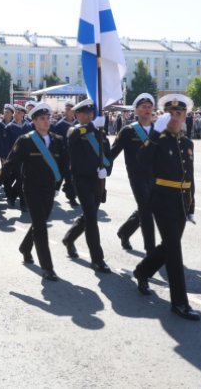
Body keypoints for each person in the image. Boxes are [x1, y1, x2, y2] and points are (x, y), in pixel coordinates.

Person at [133, 94, 200, 321]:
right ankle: (180, 303)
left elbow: (190, 176)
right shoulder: (158, 139)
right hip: (161, 199)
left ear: (184, 117)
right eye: (170, 114)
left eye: (179, 114)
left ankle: (143, 271)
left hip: (181, 201)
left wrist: (191, 204)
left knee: (169, 245)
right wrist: (153, 135)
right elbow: (141, 162)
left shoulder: (187, 143)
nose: (174, 118)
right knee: (174, 251)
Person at [4, 103, 67, 281]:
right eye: (42, 119)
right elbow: (11, 161)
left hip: (49, 188)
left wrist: (58, 186)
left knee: (40, 222)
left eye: (48, 118)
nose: (46, 122)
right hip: (31, 188)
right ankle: (47, 267)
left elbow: (63, 165)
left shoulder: (57, 140)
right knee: (40, 226)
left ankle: (25, 247)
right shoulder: (25, 140)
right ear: (34, 121)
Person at [60, 99, 113, 273]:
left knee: (89, 215)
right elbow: (73, 135)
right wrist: (91, 127)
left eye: (91, 112)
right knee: (91, 218)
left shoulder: (100, 133)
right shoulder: (74, 130)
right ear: (77, 115)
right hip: (82, 180)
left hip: (98, 180)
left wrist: (107, 169)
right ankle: (97, 259)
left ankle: (69, 238)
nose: (89, 115)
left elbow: (107, 153)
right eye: (85, 113)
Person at [108, 93, 156, 254]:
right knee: (146, 209)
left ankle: (124, 232)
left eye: (149, 107)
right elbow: (113, 152)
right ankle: (151, 250)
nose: (147, 110)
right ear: (136, 110)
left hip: (155, 176)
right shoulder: (128, 131)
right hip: (137, 176)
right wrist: (101, 168)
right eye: (143, 107)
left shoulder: (158, 130)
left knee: (148, 209)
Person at [52, 101, 79, 207]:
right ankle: (55, 192)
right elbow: (56, 141)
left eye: (71, 109)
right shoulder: (59, 125)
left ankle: (71, 197)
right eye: (67, 109)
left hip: (75, 155)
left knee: (71, 177)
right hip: (63, 155)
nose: (69, 111)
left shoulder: (78, 124)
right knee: (60, 176)